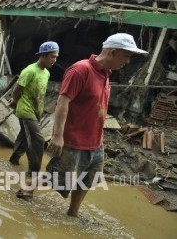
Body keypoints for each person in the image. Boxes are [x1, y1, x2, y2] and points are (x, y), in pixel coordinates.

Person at [45, 33, 148, 216]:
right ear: (112, 52)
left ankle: (73, 213)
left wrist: (100, 139)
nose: (128, 61)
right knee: (57, 178)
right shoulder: (80, 70)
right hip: (73, 141)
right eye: (126, 56)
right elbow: (63, 102)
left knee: (87, 180)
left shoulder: (106, 74)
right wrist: (58, 136)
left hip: (95, 143)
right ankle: (28, 189)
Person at [8, 41, 59, 198]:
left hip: (36, 111)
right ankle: (33, 173)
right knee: (37, 140)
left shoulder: (46, 73)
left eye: (56, 57)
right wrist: (16, 104)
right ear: (42, 55)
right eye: (52, 57)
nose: (54, 60)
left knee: (25, 136)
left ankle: (13, 160)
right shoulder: (30, 71)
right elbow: (16, 91)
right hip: (25, 110)